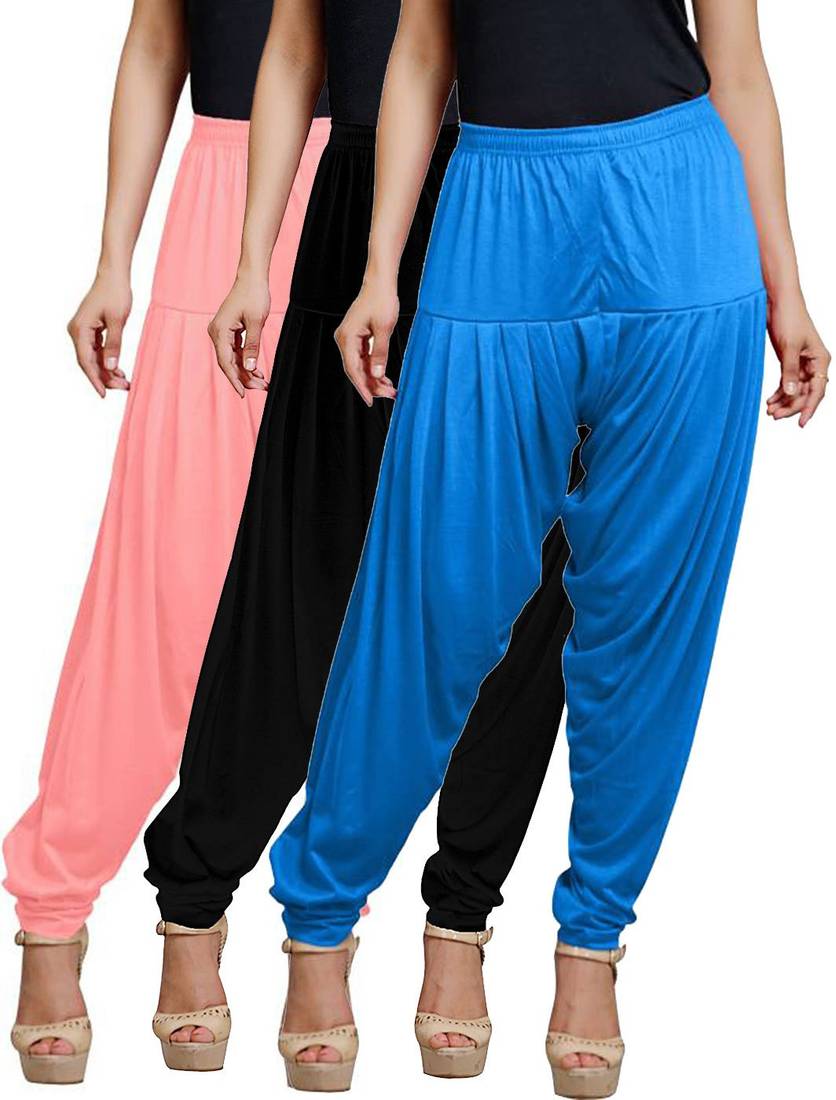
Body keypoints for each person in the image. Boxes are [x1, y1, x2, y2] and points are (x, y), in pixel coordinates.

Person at [269, 1, 830, 1095]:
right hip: (497, 210)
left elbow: (738, 68)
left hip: (682, 217)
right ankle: (321, 919)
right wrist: (381, 270)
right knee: (431, 601)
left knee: (644, 622)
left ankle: (593, 941)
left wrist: (787, 286)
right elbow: (420, 50)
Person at [143, 0, 580, 1078]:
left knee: (526, 588)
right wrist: (253, 259)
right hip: (359, 192)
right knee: (300, 569)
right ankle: (195, 897)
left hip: (533, 194)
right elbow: (296, 44)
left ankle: (460, 917)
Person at [5, 0, 329, 1084]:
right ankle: (54, 904)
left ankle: (234, 907)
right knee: (166, 588)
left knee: (341, 604)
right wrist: (114, 258)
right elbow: (157, 41)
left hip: (393, 184)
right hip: (226, 184)